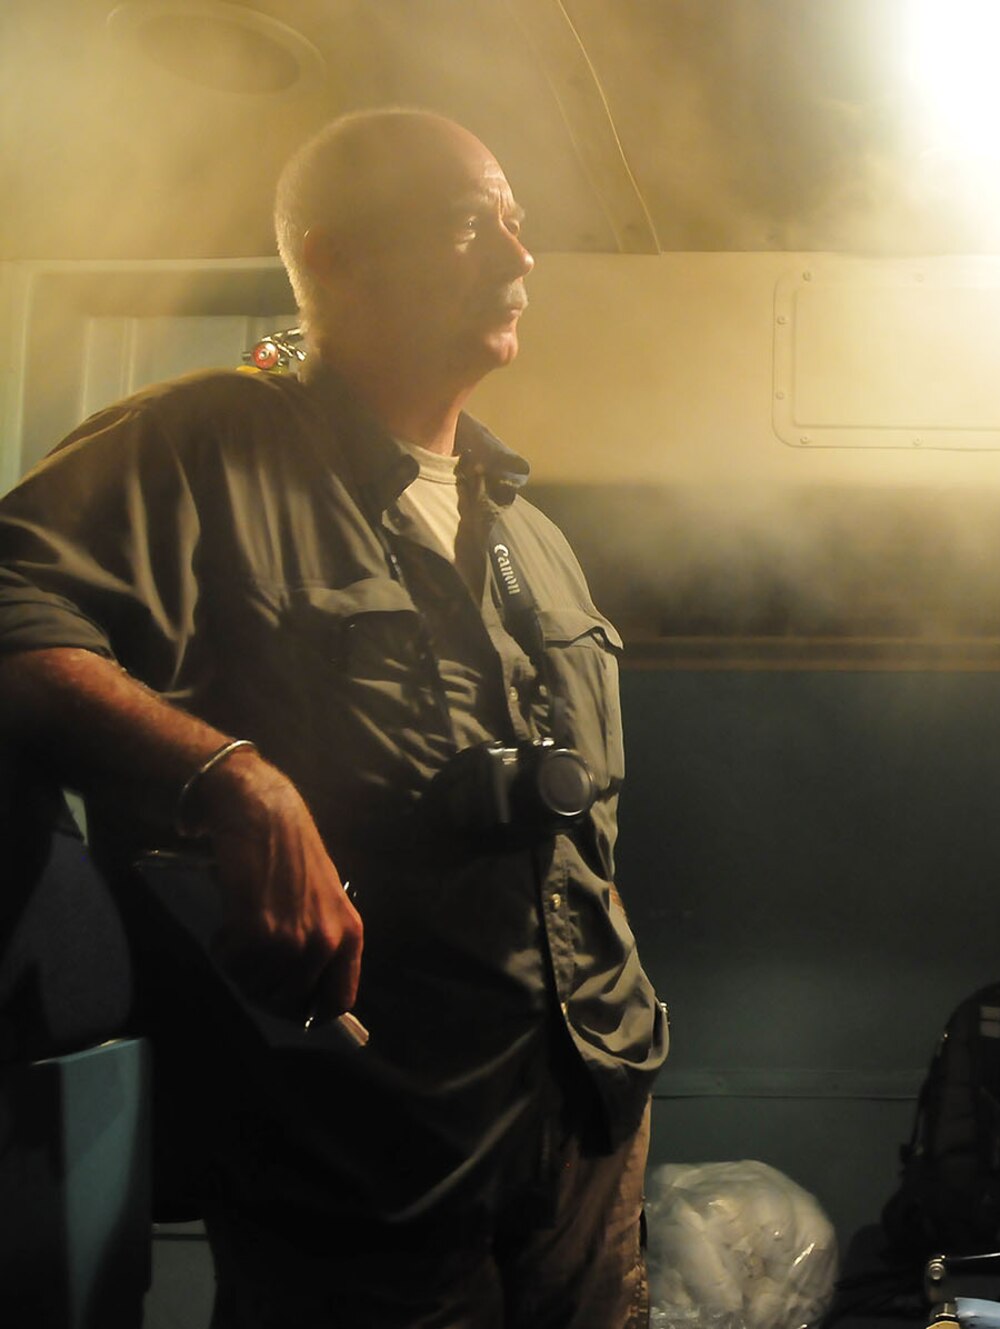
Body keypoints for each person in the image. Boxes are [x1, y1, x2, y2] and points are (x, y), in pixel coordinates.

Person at [0, 109, 667, 1325]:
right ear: (336, 258)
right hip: (366, 1148)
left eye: (518, 228)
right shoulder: (204, 446)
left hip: (586, 1106)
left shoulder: (531, 534)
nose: (521, 262)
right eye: (473, 227)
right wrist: (233, 777)